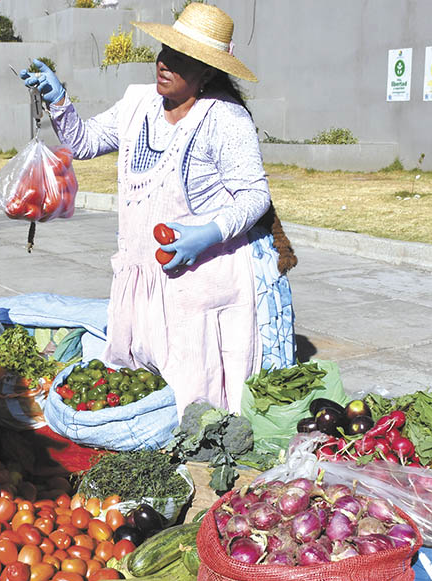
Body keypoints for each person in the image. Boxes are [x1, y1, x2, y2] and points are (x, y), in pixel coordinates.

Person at [20, 3, 296, 414]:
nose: (164, 63)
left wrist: (208, 233)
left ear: (207, 71)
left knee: (192, 404)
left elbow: (254, 196)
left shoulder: (225, 119)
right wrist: (60, 102)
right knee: (140, 385)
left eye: (181, 58)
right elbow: (85, 142)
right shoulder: (138, 103)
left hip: (201, 281)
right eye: (165, 50)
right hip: (141, 275)